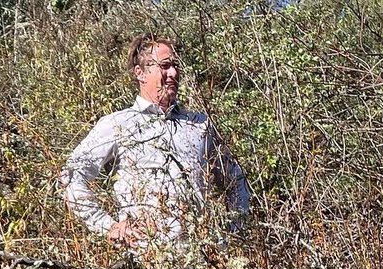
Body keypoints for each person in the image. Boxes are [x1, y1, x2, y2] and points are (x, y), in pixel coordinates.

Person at [62, 34, 251, 250]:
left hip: (204, 261)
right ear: (140, 73)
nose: (173, 73)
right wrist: (108, 226)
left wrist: (232, 232)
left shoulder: (201, 124)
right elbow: (71, 177)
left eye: (175, 66)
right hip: (145, 263)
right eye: (165, 66)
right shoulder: (117, 124)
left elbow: (236, 181)